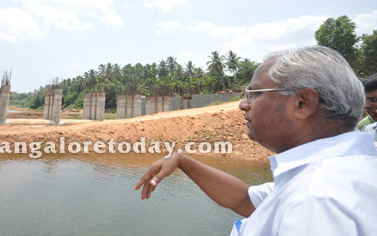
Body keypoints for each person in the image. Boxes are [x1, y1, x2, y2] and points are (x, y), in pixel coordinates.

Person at [135, 46, 377, 236]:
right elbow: (245, 198)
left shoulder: (316, 201)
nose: (243, 104)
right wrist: (181, 161)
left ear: (303, 103)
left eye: (255, 93)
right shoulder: (339, 171)